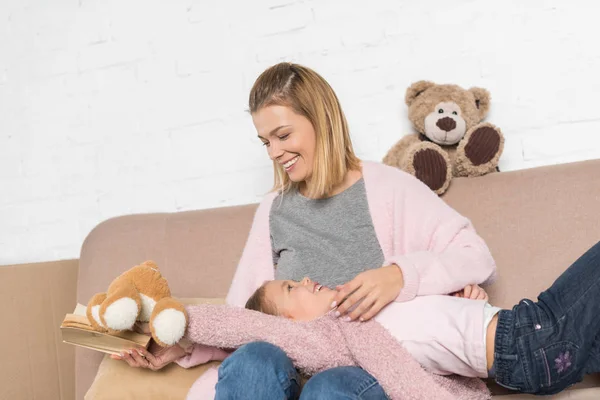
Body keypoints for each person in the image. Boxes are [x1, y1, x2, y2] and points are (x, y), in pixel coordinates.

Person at [112, 62, 497, 399]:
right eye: (266, 142)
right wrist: (178, 348)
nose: (274, 153)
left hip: (360, 376)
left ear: (321, 121)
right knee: (254, 359)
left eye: (283, 135)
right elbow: (246, 316)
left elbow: (474, 255)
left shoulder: (388, 187)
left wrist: (398, 276)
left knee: (330, 387)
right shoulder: (274, 210)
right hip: (284, 377)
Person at [244, 239, 600, 397]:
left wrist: (465, 302)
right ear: (290, 329)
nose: (305, 280)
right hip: (529, 339)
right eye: (291, 288)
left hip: (528, 352)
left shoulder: (364, 305)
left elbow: (430, 332)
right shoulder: (354, 345)